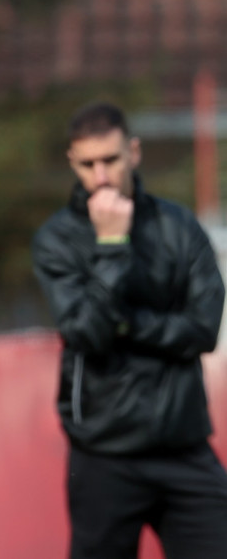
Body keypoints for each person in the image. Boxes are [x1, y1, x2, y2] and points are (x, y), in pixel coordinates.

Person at [32, 101, 227, 558]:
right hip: (104, 452)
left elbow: (203, 330)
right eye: (88, 164)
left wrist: (126, 322)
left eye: (111, 160)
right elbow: (88, 334)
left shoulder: (179, 227)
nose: (101, 176)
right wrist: (112, 243)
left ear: (134, 153)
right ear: (72, 163)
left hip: (182, 445)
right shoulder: (57, 240)